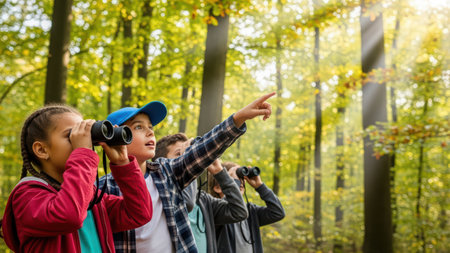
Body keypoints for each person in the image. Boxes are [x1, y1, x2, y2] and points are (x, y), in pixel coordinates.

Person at [98, 92, 275, 253]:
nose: (150, 132)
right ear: (116, 136)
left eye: (150, 126)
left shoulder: (166, 171)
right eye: (138, 127)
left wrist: (238, 118)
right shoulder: (102, 188)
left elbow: (203, 150)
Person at [1, 104, 152, 253]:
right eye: (71, 135)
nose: (82, 141)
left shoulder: (92, 199)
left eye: (86, 136)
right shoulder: (27, 195)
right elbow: (69, 216)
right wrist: (84, 153)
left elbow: (139, 213)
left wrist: (123, 164)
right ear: (42, 150)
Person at [154, 133, 248, 253]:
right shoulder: (159, 194)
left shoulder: (204, 200)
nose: (190, 157)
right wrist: (187, 161)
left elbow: (239, 212)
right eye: (178, 154)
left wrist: (219, 172)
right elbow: (187, 202)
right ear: (162, 163)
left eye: (190, 153)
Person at [210, 161, 285, 253]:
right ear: (217, 187)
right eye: (232, 179)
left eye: (241, 178)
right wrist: (234, 184)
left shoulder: (251, 212)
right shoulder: (215, 210)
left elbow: (277, 213)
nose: (240, 181)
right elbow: (229, 208)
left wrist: (260, 186)